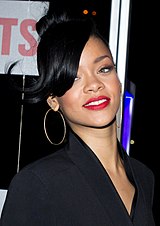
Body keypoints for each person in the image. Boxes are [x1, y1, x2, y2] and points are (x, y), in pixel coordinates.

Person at [0, 3, 155, 226]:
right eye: (73, 77)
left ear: (117, 79)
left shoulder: (144, 177)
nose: (93, 85)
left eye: (104, 69)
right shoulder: (37, 183)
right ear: (53, 100)